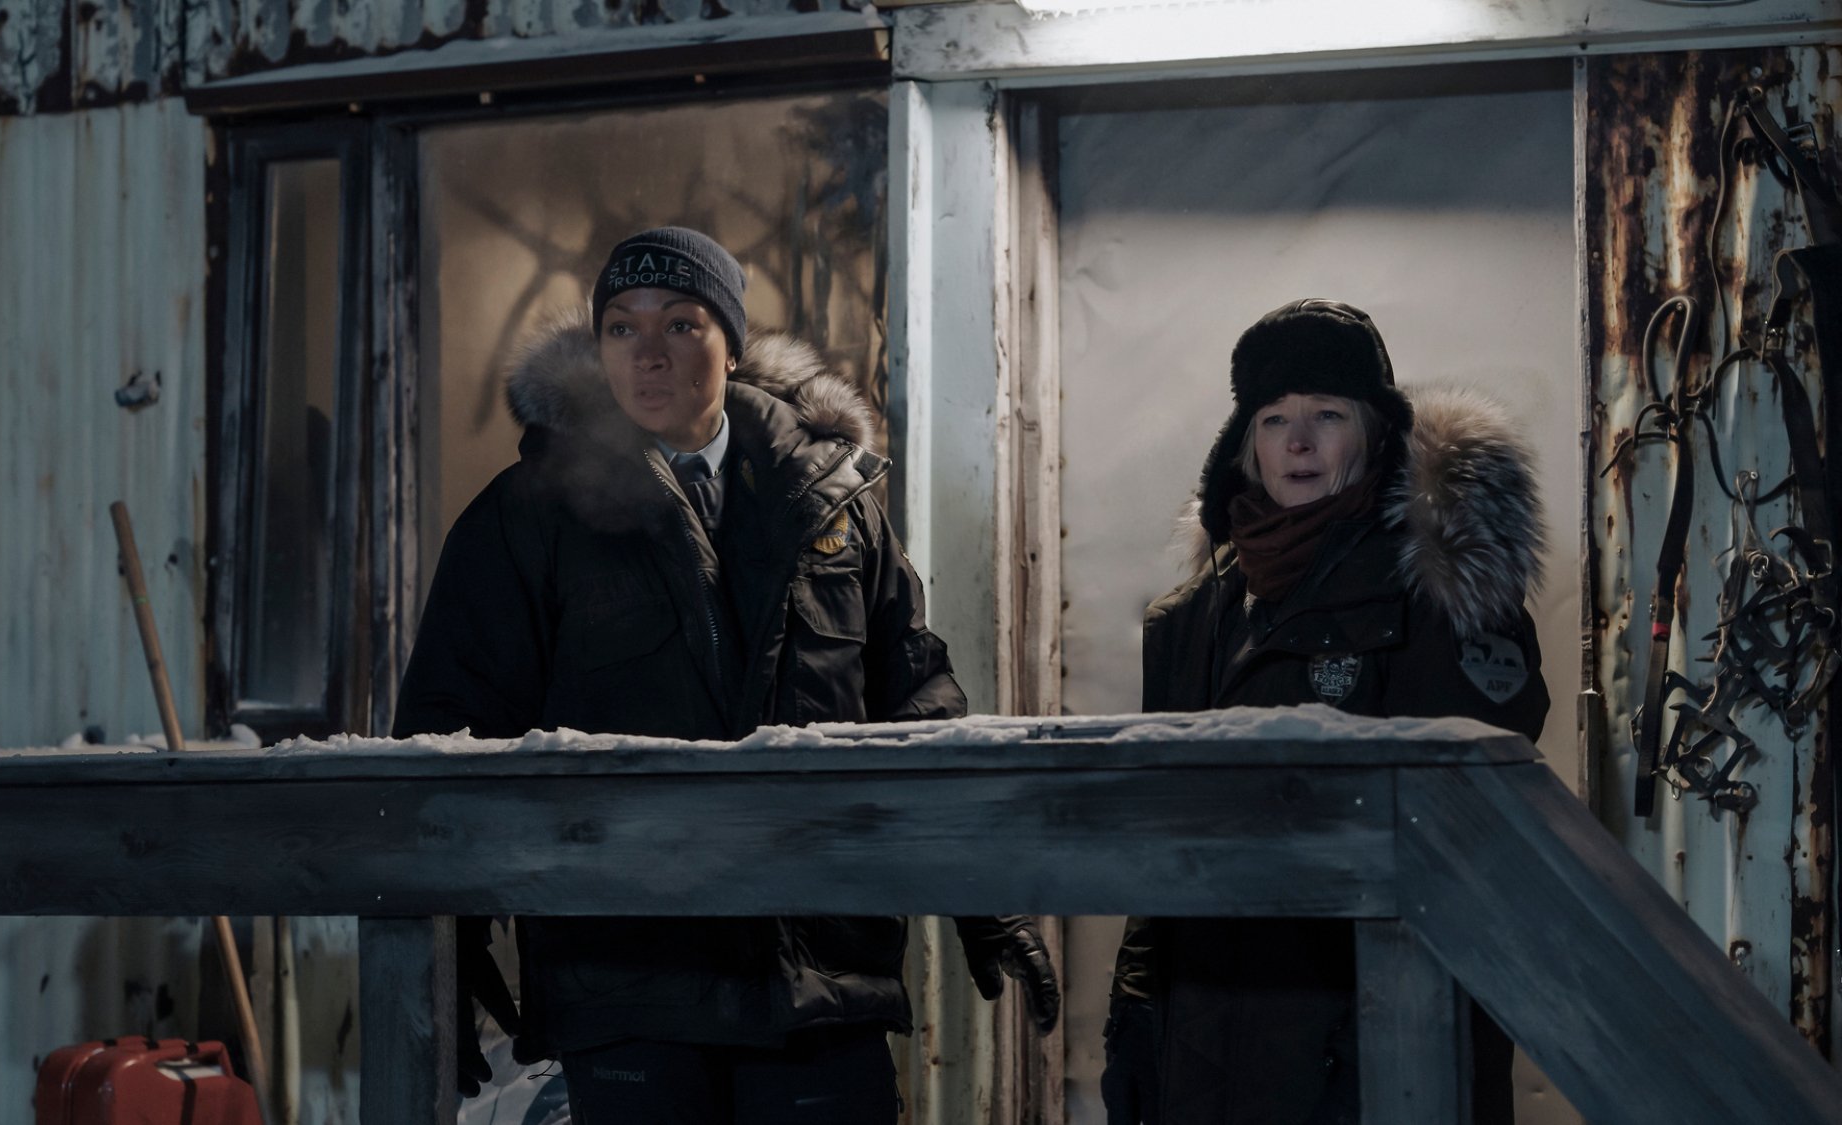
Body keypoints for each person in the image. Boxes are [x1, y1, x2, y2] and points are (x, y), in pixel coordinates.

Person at [393, 227, 1059, 1124]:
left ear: (733, 343)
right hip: (632, 979)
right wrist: (453, 926)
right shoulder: (528, 515)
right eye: (622, 330)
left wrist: (986, 890)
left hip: (820, 975)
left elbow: (916, 701)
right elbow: (450, 724)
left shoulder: (834, 501)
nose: (649, 355)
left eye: (681, 323)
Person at [1101, 299, 1549, 1125]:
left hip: (1379, 1039)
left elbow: (1465, 843)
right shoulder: (1195, 616)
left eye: (1326, 415)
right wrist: (1136, 1005)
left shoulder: (1443, 595)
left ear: (1375, 432)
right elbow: (1157, 841)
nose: (1297, 442)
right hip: (1211, 1039)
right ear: (1248, 443)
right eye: (1274, 419)